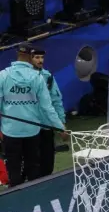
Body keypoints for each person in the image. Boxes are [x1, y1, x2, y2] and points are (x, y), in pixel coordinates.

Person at [0, 44, 66, 187]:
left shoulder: (3, 76)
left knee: (13, 168)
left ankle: (15, 197)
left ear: (17, 55)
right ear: (30, 57)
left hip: (10, 131)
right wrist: (60, 127)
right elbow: (47, 107)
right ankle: (34, 195)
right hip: (32, 131)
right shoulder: (37, 78)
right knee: (33, 167)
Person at [29, 46, 65, 177]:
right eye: (37, 57)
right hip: (29, 126)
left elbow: (56, 100)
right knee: (31, 162)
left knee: (48, 161)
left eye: (42, 57)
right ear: (30, 59)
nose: (40, 60)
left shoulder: (48, 77)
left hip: (46, 125)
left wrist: (61, 122)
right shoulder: (24, 77)